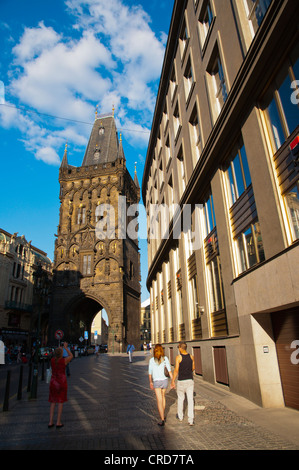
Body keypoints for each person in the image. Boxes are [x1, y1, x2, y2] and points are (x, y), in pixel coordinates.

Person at [48, 342, 73, 428]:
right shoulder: (64, 361)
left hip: (53, 382)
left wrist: (59, 350)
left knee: (53, 402)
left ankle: (50, 422)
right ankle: (58, 422)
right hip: (61, 382)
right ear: (61, 354)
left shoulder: (52, 360)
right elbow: (71, 356)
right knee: (60, 402)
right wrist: (66, 348)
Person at [171, 342, 195, 426]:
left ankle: (180, 416)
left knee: (181, 398)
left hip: (181, 380)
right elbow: (193, 368)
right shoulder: (191, 357)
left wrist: (173, 380)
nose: (178, 349)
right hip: (190, 380)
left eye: (178, 347)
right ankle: (191, 419)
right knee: (190, 399)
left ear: (181, 348)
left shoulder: (179, 357)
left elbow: (176, 370)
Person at [148, 343, 173, 426]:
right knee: (163, 397)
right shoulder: (165, 358)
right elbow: (169, 371)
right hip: (165, 381)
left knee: (159, 400)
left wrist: (150, 382)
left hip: (156, 381)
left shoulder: (152, 360)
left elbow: (150, 373)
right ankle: (163, 414)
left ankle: (162, 419)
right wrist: (173, 381)